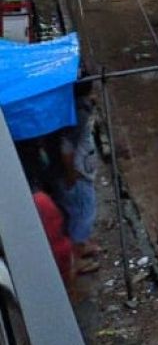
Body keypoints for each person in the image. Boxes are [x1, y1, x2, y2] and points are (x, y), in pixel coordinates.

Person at [59, 86, 101, 273]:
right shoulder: (78, 113)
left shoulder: (68, 106)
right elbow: (66, 147)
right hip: (77, 173)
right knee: (84, 213)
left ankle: (81, 245)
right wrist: (71, 175)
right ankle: (75, 259)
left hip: (76, 169)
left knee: (75, 211)